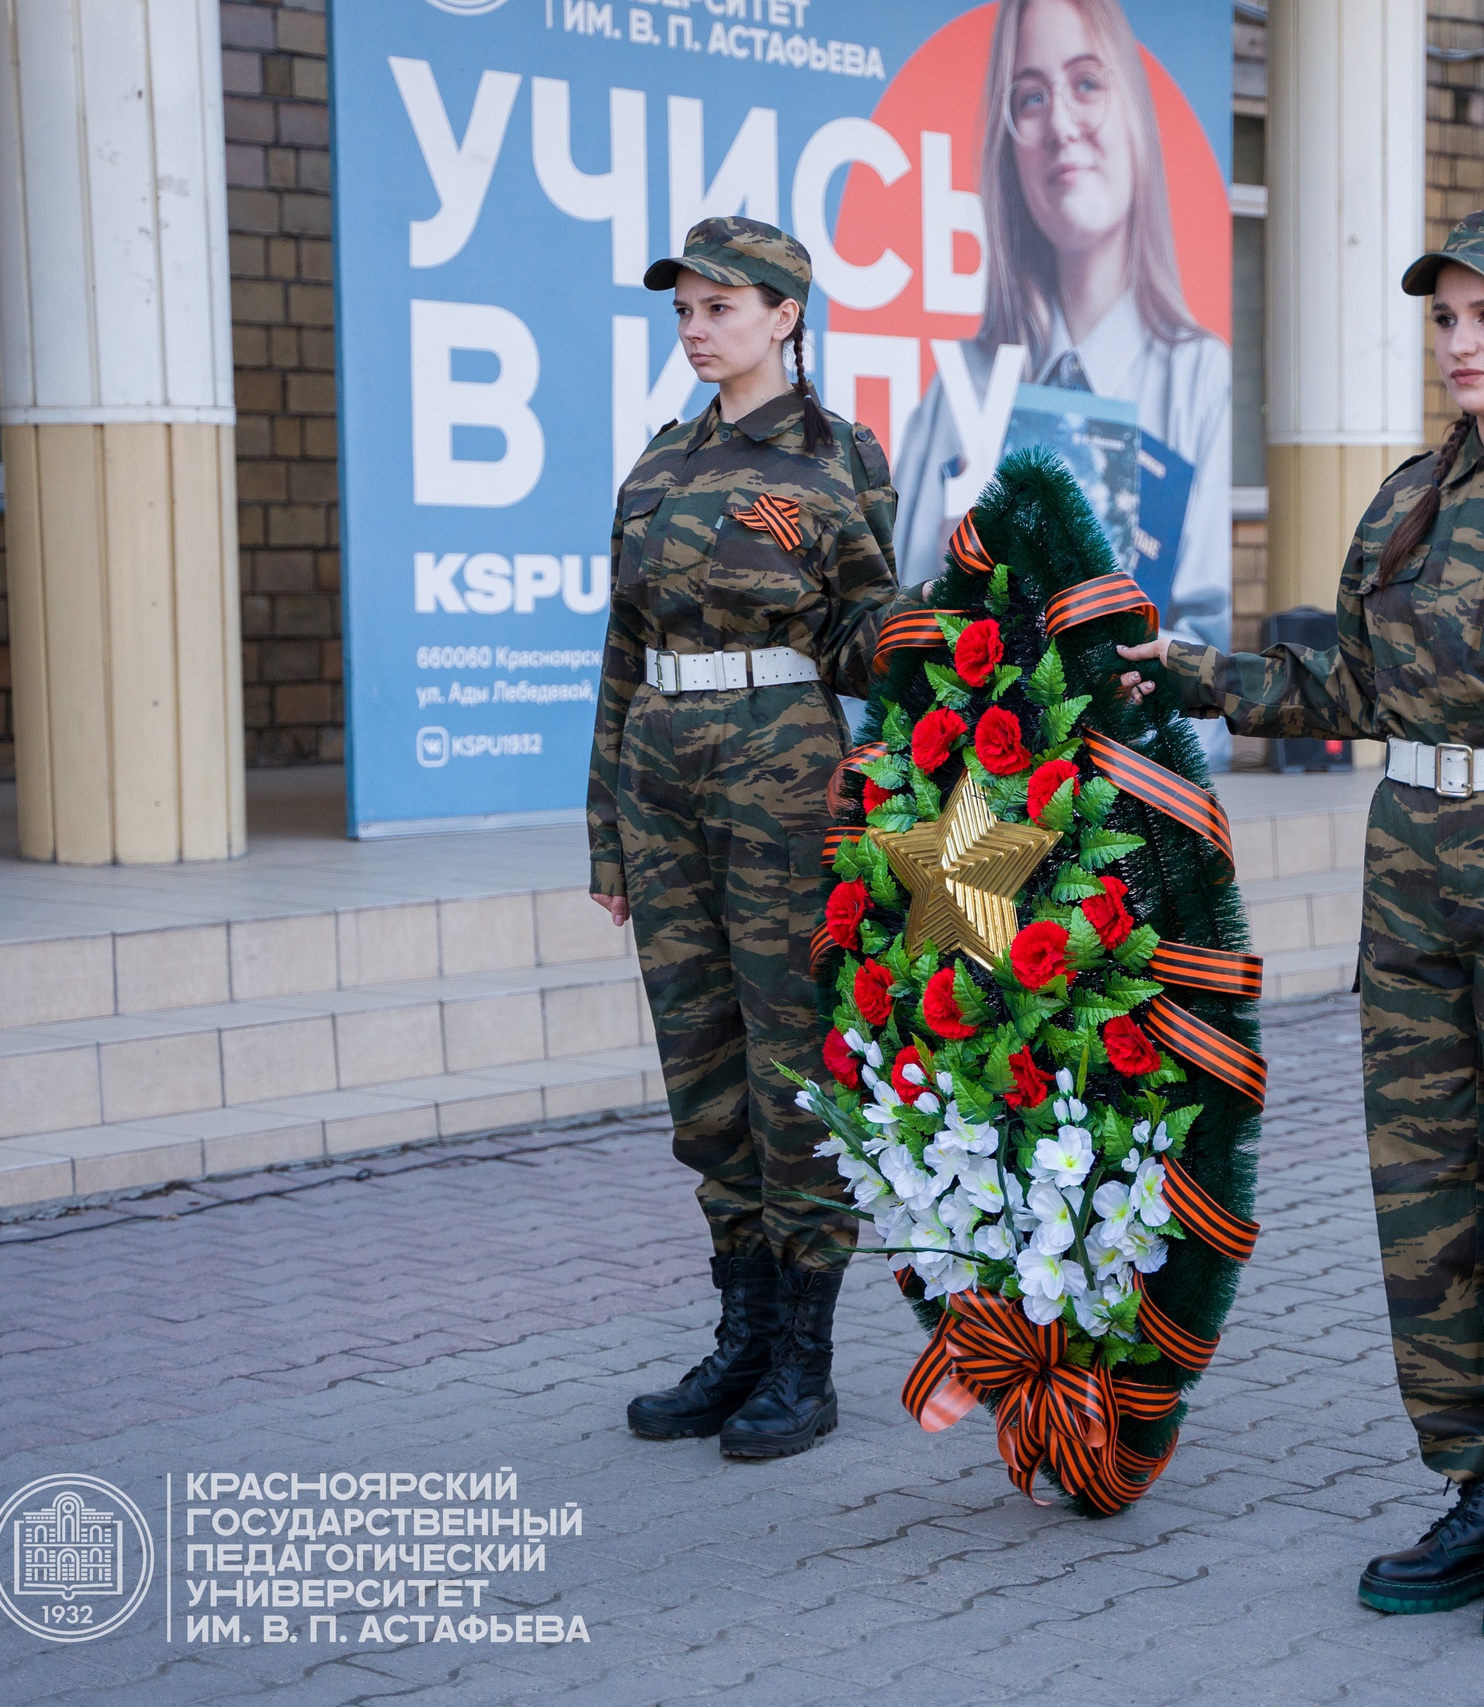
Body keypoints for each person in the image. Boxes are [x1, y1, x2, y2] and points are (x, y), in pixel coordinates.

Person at [1117, 210, 1484, 1644]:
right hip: (1416, 879)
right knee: (1430, 1197)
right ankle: (1475, 1483)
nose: (1461, 343)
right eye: (1446, 319)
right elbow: (1345, 690)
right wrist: (1184, 671)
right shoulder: (1405, 503)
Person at [589, 216, 921, 1461]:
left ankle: (805, 1359)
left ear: (785, 314)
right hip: (660, 768)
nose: (694, 328)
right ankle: (740, 1335)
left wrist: (933, 637)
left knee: (794, 1063)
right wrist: (606, 835)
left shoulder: (840, 458)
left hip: (782, 761)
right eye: (682, 309)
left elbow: (867, 641)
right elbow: (620, 651)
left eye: (718, 307)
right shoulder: (659, 462)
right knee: (702, 1072)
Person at [891, 0, 1232, 760]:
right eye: (1030, 97)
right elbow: (901, 627)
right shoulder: (957, 392)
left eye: (1086, 82)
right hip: (978, 794)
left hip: (1136, 798)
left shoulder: (1200, 376)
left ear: (1134, 112)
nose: (1062, 123)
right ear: (1006, 146)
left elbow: (1205, 640)